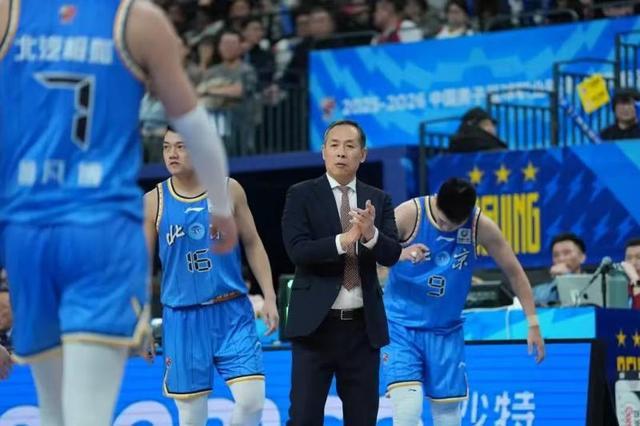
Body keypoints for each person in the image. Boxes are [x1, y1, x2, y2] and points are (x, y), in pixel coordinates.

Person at [0, 1, 237, 425]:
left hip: (27, 231)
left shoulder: (8, 14)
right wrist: (220, 207)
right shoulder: (137, 19)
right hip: (102, 230)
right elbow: (196, 127)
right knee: (88, 414)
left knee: (52, 410)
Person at [143, 128, 279, 426]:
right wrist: (141, 319)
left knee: (252, 401)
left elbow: (253, 242)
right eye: (167, 147)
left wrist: (269, 296)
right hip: (183, 317)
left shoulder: (229, 189)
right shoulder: (154, 201)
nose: (172, 154)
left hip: (232, 311)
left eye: (181, 146)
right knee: (192, 417)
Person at [383, 177, 545, 426]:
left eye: (454, 224)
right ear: (436, 200)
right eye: (443, 221)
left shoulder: (480, 225)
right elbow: (371, 255)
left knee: (448, 416)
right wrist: (400, 253)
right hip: (400, 326)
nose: (447, 228)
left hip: (445, 331)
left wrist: (532, 323)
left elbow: (514, 272)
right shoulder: (408, 215)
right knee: (407, 412)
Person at [281, 119, 402, 426]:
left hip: (363, 329)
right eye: (334, 145)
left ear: (363, 154)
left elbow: (392, 254)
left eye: (349, 146)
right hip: (314, 329)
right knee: (304, 419)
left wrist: (370, 233)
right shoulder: (301, 194)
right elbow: (298, 251)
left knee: (362, 419)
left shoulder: (379, 199)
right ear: (323, 152)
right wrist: (344, 240)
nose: (341, 152)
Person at [533, 233, 587, 306]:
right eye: (556, 255)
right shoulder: (538, 292)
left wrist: (567, 277)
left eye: (567, 253)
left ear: (582, 257)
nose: (561, 259)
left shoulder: (595, 286)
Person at [621, 238, 640, 309]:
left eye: (639, 257)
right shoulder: (622, 287)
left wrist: (636, 280)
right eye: (629, 258)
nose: (633, 262)